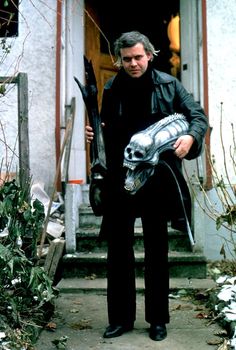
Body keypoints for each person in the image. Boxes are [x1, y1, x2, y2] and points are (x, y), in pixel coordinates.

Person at [85, 31, 208, 341]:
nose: (133, 63)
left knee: (157, 250)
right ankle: (121, 320)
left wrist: (191, 136)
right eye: (126, 59)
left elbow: (197, 116)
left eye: (138, 57)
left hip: (157, 181)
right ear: (120, 60)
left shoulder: (169, 85)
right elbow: (109, 132)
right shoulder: (112, 87)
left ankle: (158, 321)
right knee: (118, 251)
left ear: (150, 55)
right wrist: (96, 137)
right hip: (122, 179)